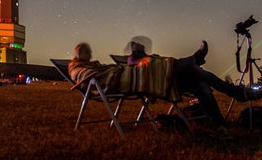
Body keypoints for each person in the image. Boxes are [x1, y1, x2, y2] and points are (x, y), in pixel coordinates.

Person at [69, 41, 262, 136]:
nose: (90, 55)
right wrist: (115, 71)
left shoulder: (97, 65)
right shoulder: (78, 69)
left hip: (164, 79)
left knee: (199, 80)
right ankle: (234, 93)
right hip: (148, 80)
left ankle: (220, 124)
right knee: (195, 72)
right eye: (87, 54)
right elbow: (92, 77)